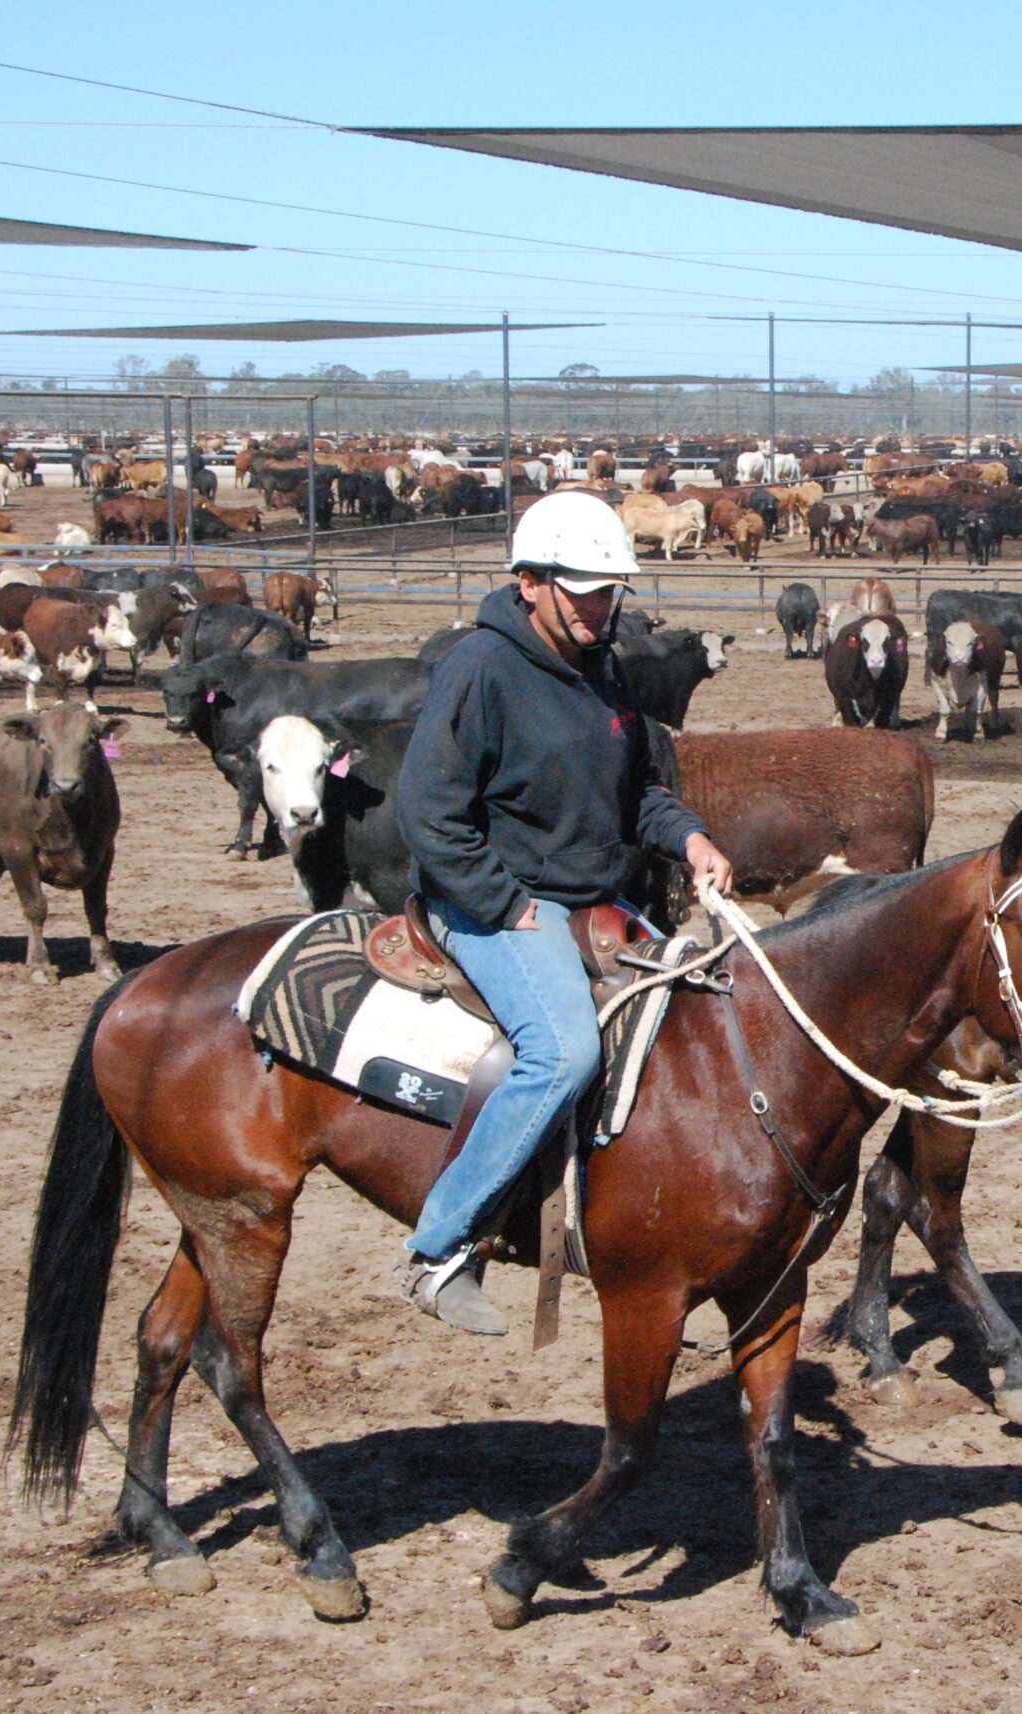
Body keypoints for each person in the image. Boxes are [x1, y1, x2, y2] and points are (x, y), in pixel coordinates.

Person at [393, 490, 735, 1333]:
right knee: (564, 1048)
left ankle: (652, 1242)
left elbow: (638, 795)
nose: (601, 606)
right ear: (529, 582)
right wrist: (502, 903)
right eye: (584, 589)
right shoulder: (478, 667)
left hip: (590, 897)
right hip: (495, 901)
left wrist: (689, 839)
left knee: (692, 1011)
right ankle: (443, 1245)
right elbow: (429, 807)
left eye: (609, 589)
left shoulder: (603, 664)